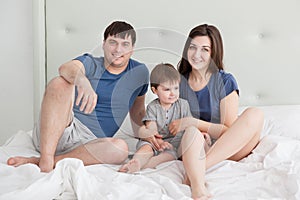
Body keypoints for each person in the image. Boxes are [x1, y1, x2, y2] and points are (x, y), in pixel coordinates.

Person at [7, 21, 149, 172]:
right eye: (112, 42)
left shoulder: (140, 73)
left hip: (91, 145)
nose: (118, 49)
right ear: (103, 44)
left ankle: (45, 161)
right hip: (61, 129)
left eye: (125, 44)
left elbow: (138, 111)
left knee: (121, 148)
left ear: (132, 49)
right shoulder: (91, 62)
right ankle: (46, 159)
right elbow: (66, 68)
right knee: (59, 83)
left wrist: (148, 134)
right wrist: (82, 81)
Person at [168, 24, 264, 199]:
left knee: (255, 113)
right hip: (194, 146)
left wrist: (195, 122)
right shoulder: (177, 82)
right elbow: (172, 125)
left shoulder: (224, 81)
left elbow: (229, 131)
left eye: (205, 49)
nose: (197, 55)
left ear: (213, 53)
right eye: (192, 47)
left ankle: (199, 169)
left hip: (228, 148)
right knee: (191, 133)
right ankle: (198, 187)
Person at [119, 63, 211, 173]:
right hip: (154, 141)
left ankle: (141, 166)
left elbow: (189, 125)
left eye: (176, 88)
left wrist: (201, 133)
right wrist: (158, 142)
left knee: (169, 156)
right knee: (146, 148)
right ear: (155, 90)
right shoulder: (153, 107)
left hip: (172, 144)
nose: (173, 93)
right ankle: (136, 161)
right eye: (167, 89)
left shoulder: (183, 105)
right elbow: (151, 127)